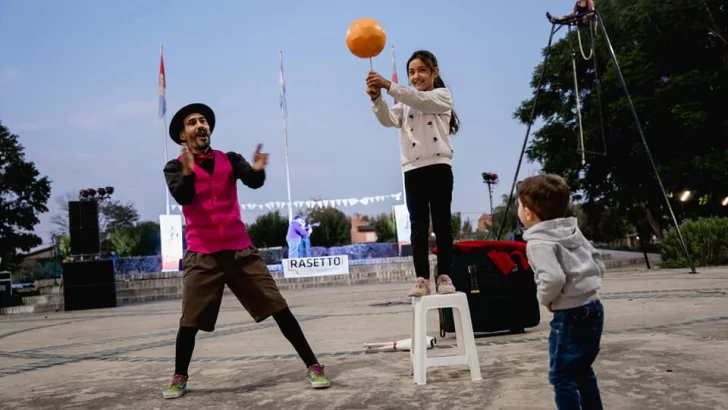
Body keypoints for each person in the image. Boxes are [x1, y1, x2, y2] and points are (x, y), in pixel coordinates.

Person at [162, 103, 330, 399]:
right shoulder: (174, 167)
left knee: (279, 308)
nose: (200, 126)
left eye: (203, 121)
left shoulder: (230, 158)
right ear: (182, 135)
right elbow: (183, 196)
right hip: (203, 255)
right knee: (189, 321)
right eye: (193, 123)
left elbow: (252, 181)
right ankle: (179, 375)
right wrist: (188, 172)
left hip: (241, 252)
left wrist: (257, 170)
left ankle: (313, 365)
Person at [366, 50, 458, 298]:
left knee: (442, 223)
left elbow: (421, 100)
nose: (416, 76)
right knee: (417, 226)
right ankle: (421, 278)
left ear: (434, 73)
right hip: (413, 169)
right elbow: (387, 119)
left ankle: (445, 275)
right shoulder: (405, 102)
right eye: (412, 72)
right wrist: (377, 100)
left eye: (422, 71)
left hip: (439, 165)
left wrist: (388, 85)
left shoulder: (442, 96)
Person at [517, 174, 605, 410]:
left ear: (528, 213)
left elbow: (553, 277)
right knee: (583, 370)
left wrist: (546, 299)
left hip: (569, 316)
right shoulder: (572, 231)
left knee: (562, 376)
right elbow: (597, 260)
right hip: (594, 307)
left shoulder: (537, 242)